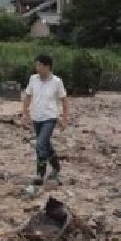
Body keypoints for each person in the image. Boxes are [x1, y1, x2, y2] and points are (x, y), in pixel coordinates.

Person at [22, 54, 69, 183]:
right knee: (46, 145)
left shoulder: (56, 82)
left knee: (41, 144)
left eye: (39, 65)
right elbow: (27, 96)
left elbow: (64, 101)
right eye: (36, 65)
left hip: (50, 117)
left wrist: (64, 119)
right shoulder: (33, 79)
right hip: (36, 117)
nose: (37, 68)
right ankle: (56, 166)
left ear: (47, 66)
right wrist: (24, 113)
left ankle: (40, 174)